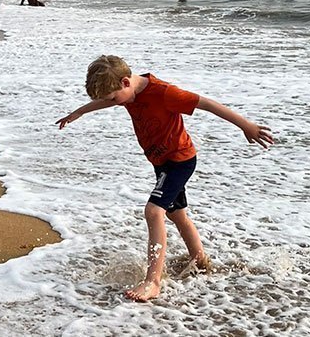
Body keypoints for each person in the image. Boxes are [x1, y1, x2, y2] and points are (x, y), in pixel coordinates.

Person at [55, 55, 274, 302]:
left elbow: (208, 104)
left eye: (113, 99)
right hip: (162, 163)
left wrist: (247, 126)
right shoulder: (126, 92)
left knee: (153, 211)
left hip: (179, 162)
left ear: (126, 82)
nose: (113, 104)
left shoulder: (164, 93)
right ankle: (200, 261)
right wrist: (79, 112)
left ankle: (153, 282)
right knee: (176, 213)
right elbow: (106, 100)